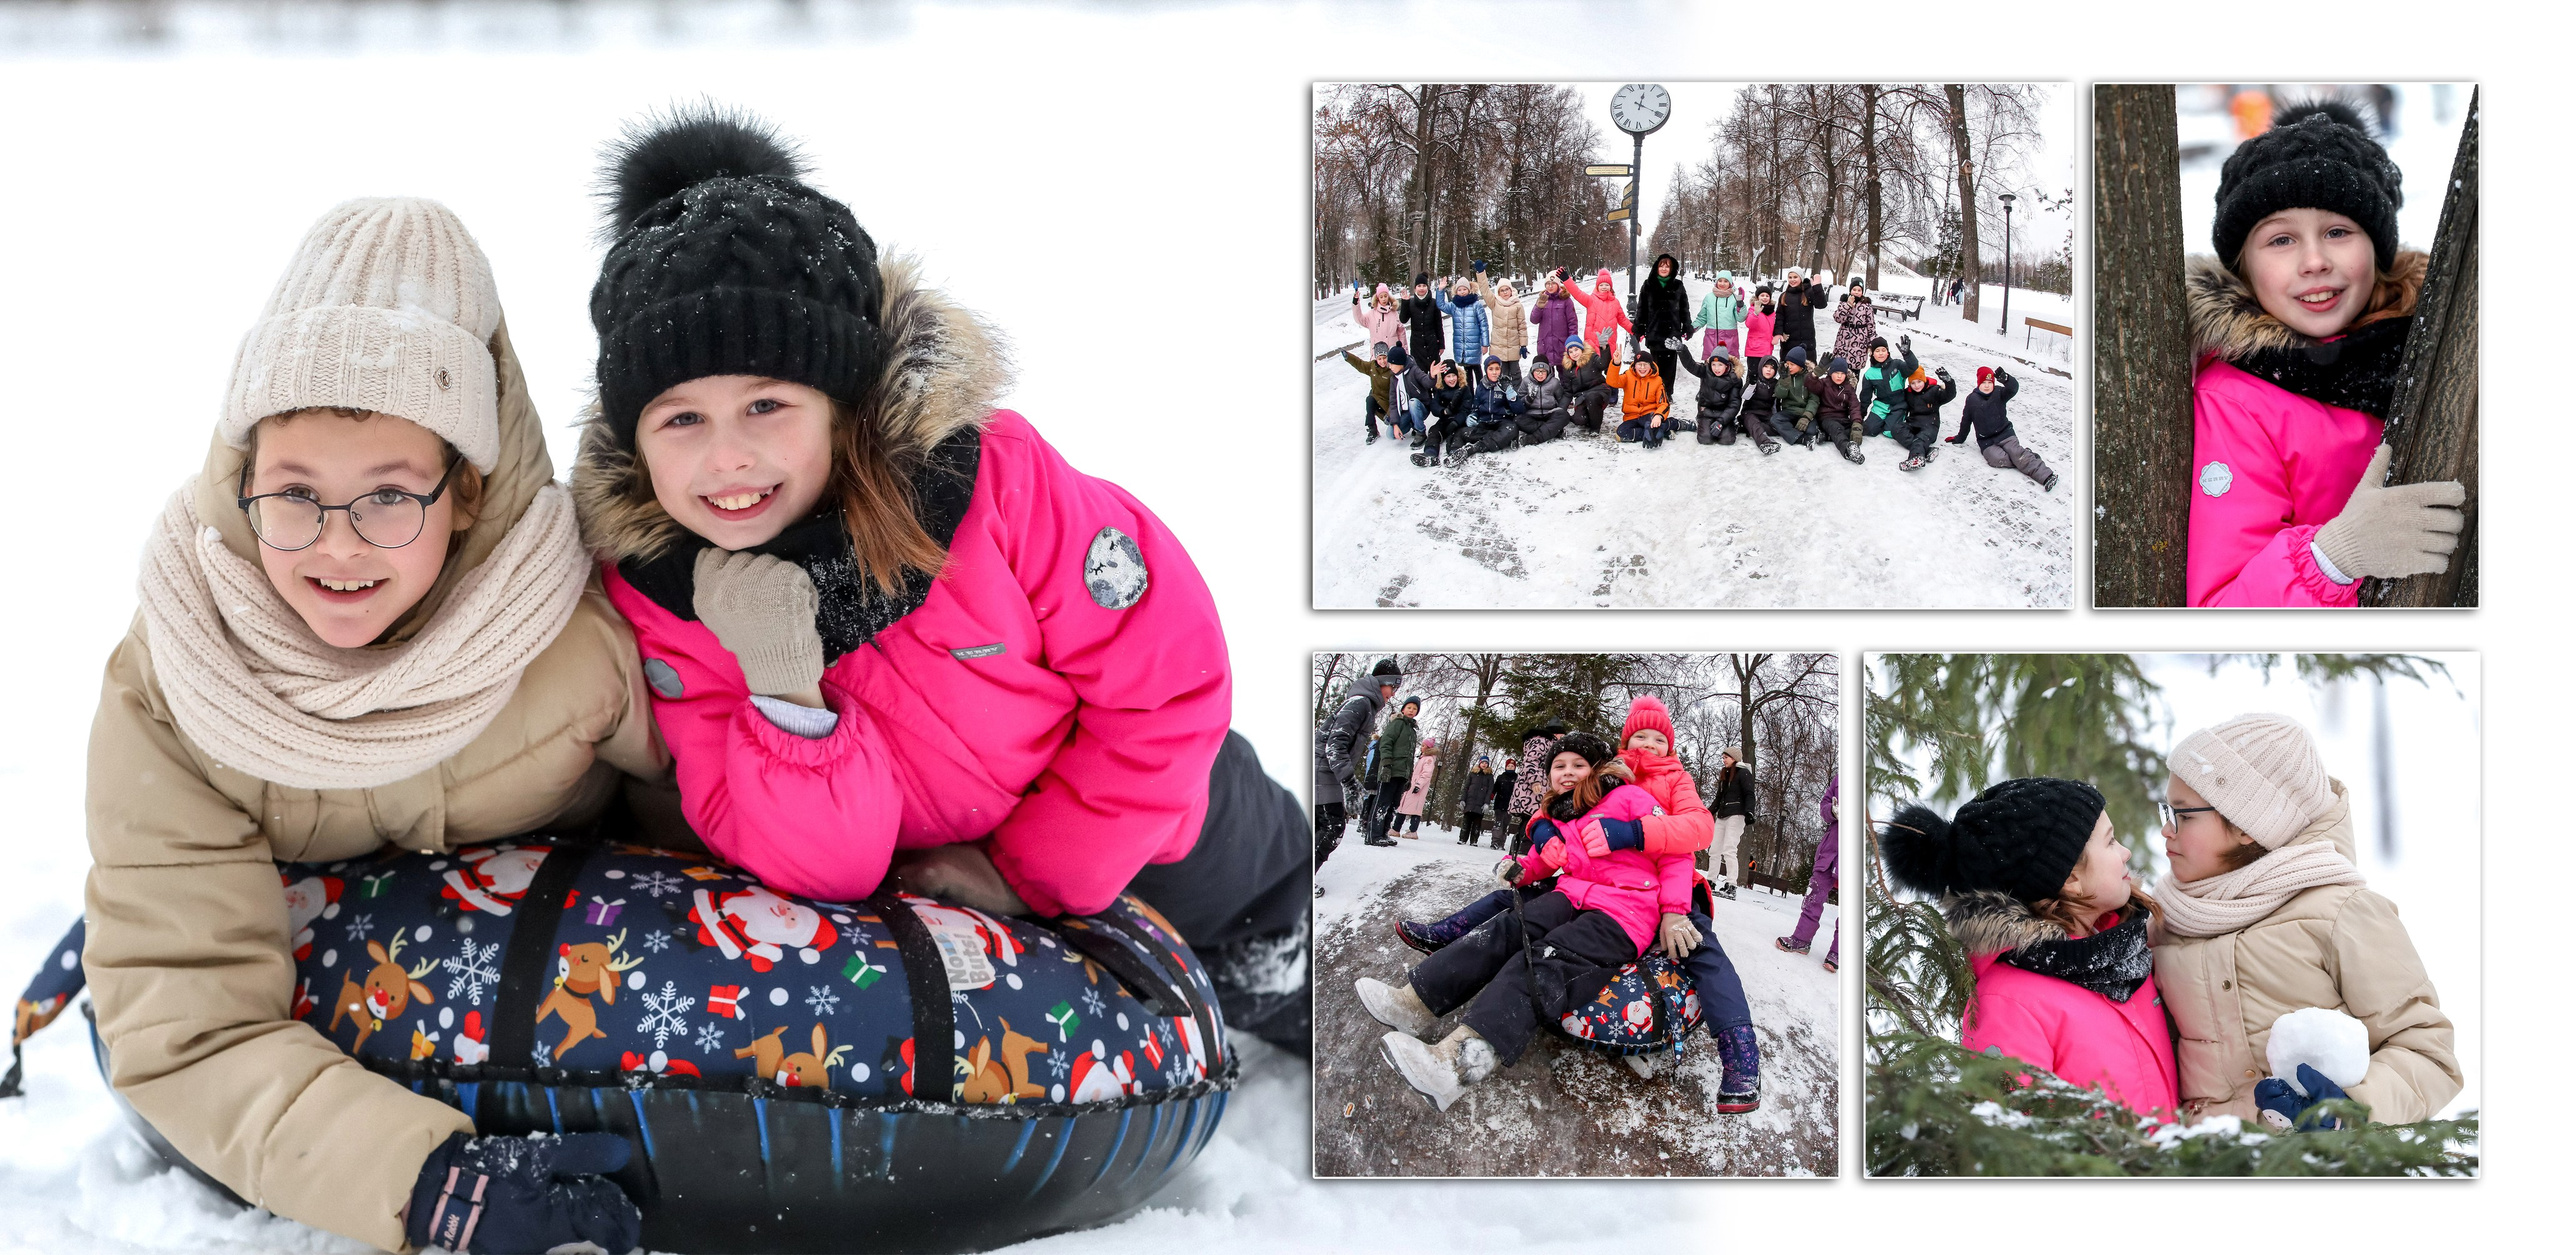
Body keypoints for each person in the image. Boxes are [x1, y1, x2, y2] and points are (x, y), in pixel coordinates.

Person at [574, 110, 1311, 1054]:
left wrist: (1028, 877)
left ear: (844, 405)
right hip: (947, 886)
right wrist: (783, 685)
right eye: (681, 419)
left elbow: (1164, 682)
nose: (728, 457)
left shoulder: (985, 482)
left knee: (1274, 935)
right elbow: (817, 862)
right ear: (633, 436)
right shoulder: (665, 595)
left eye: (767, 404)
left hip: (1154, 813)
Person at [85, 198, 654, 1253]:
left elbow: (719, 848)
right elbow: (185, 1023)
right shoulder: (176, 678)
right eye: (294, 494)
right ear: (242, 476)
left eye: (390, 496)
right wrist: (423, 1183)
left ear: (468, 492)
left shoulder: (578, 635)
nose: (335, 549)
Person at [2183, 97, 2464, 607]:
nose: (2314, 261)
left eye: (2338, 232)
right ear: (2244, 267)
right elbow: (2220, 604)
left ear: (2376, 251)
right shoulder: (2235, 401)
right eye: (2282, 239)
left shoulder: (2432, 340)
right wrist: (2336, 556)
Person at [2148, 715, 2460, 1126]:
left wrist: (2347, 1110)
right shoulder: (2165, 919)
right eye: (2167, 810)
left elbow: (2427, 1053)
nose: (2166, 830)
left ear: (2246, 825)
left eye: (2185, 815)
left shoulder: (2341, 913)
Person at [1356, 732, 1692, 1111]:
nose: (1567, 773)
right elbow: (1548, 859)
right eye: (1558, 767)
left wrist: (1675, 911)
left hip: (1624, 911)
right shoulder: (1565, 812)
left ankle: (1456, 1065)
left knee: (1544, 959)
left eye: (1578, 765)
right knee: (1509, 926)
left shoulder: (1630, 798)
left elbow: (1677, 852)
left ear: (1597, 769)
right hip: (1571, 895)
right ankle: (1414, 1004)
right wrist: (1522, 869)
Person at [1877, 779, 2178, 1116]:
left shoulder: (2131, 945)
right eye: (2110, 843)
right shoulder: (2008, 1005)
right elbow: (2015, 1148)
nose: (2126, 852)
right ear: (2070, 879)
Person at [1316, 659, 1401, 865]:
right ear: (1383, 682)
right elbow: (1335, 744)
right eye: (1393, 687)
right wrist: (1349, 782)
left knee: (1323, 827)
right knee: (1332, 828)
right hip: (1322, 772)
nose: (1393, 694)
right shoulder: (1360, 703)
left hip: (1327, 773)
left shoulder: (1364, 704)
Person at [1947, 366, 2057, 490]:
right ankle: (2026, 458)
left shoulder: (1999, 393)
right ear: (1978, 383)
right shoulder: (1972, 399)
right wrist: (1959, 438)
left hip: (2006, 434)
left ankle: (2047, 476)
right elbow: (1966, 420)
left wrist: (2006, 379)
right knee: (1996, 459)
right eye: (1984, 383)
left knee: (2015, 452)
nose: (1987, 386)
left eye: (1990, 382)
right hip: (1986, 441)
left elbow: (2013, 388)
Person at [1775, 774, 1840, 971]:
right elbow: (1825, 803)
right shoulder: (1840, 778)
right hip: (1830, 850)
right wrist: (1832, 810)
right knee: (1813, 897)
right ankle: (1801, 939)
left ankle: (1837, 952)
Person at [1363, 698, 1422, 844]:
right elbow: (1386, 743)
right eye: (1409, 707)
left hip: (1402, 773)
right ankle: (1373, 835)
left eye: (1414, 709)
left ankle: (1384, 833)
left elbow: (1409, 755)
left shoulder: (1413, 731)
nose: (1411, 710)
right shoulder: (1397, 724)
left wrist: (1408, 775)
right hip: (1390, 770)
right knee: (1382, 802)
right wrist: (1387, 764)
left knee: (1393, 804)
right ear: (1403, 709)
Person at [1631, 252, 1691, 388]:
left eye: (1667, 267)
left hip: (1672, 333)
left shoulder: (1678, 286)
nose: (1664, 269)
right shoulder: (1648, 285)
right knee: (1654, 365)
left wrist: (1687, 326)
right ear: (1657, 268)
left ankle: (1667, 392)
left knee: (1670, 366)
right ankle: (1655, 390)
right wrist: (1639, 328)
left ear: (1671, 269)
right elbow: (1642, 309)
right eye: (1661, 266)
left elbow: (1684, 309)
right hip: (1654, 332)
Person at [1506, 722, 1565, 854]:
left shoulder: (1548, 743)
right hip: (1531, 793)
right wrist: (1535, 781)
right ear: (1556, 733)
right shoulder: (1541, 741)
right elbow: (1530, 762)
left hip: (1534, 792)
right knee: (1530, 823)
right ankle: (1521, 854)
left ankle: (1519, 853)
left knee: (1529, 822)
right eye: (1562, 735)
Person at [1895, 348, 1959, 472]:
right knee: (1896, 429)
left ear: (1924, 380)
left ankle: (1916, 458)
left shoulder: (1934, 391)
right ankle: (1926, 450)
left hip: (1929, 426)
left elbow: (1950, 395)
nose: (1916, 385)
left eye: (1919, 381)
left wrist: (1949, 382)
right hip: (1913, 424)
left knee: (1920, 439)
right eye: (1913, 383)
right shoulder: (1908, 393)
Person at [1604, 333, 1671, 449]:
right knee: (1621, 434)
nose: (1642, 368)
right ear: (1634, 366)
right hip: (1631, 416)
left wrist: (1658, 416)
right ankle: (1657, 430)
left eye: (1645, 365)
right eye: (1639, 365)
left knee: (1651, 424)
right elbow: (1612, 381)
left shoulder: (1657, 380)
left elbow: (1664, 403)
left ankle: (1656, 427)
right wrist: (1616, 363)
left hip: (1648, 415)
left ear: (1651, 366)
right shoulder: (1628, 376)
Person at [1673, 342, 1746, 445]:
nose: (1716, 368)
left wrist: (1721, 422)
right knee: (1705, 439)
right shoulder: (1705, 371)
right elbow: (1691, 365)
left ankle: (1731, 425)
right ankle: (1702, 423)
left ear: (1726, 365)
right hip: (1706, 412)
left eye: (1720, 365)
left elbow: (1734, 404)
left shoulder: (1735, 379)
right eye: (1714, 364)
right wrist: (1682, 350)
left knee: (1727, 440)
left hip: (1724, 413)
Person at [1408, 358, 1473, 467]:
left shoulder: (1464, 388)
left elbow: (1466, 408)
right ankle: (1430, 454)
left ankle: (1454, 453)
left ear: (1458, 376)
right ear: (1443, 378)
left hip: (1459, 421)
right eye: (1448, 376)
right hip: (1445, 419)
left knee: (1457, 435)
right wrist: (1443, 411)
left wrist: (1457, 421)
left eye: (1453, 376)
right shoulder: (1440, 389)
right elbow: (1434, 405)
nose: (1452, 379)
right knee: (1434, 431)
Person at [1706, 748, 1753, 895]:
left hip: (1737, 815)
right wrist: (1707, 813)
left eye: (1726, 757)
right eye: (1723, 757)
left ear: (1735, 758)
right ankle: (1710, 881)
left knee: (1729, 849)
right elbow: (1719, 798)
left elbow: (1749, 794)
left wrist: (1750, 812)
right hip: (1723, 815)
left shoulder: (1743, 773)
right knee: (1714, 849)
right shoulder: (1725, 775)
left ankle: (1731, 884)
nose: (1724, 759)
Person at [1342, 341, 1406, 446]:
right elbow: (1360, 364)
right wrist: (1348, 357)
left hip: (1391, 405)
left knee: (1391, 431)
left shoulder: (1392, 371)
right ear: (1376, 359)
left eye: (1384, 357)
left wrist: (1390, 414)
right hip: (1378, 401)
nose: (1382, 361)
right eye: (1379, 358)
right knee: (1370, 399)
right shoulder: (1372, 367)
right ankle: (1372, 431)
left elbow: (1396, 396)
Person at [1557, 266, 1633, 353]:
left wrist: (1635, 330)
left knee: (1607, 365)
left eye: (1607, 285)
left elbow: (1623, 320)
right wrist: (1567, 280)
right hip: (1592, 344)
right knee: (1592, 365)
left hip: (1609, 343)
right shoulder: (1591, 300)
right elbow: (1577, 293)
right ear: (1597, 287)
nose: (1604, 287)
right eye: (1601, 285)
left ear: (1611, 287)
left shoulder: (1615, 303)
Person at [1435, 277, 1492, 388]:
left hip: (1474, 344)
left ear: (1469, 290)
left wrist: (1485, 344)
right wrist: (1440, 290)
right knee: (1467, 373)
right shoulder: (1454, 306)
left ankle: (1482, 393)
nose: (1462, 292)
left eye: (1464, 289)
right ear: (1456, 291)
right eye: (1459, 290)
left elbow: (1484, 325)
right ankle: (1469, 396)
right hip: (1461, 346)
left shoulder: (1476, 305)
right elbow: (1441, 305)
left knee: (1477, 369)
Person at [1810, 356, 1866, 464]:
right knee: (1837, 429)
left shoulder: (1848, 387)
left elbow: (1854, 406)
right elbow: (1810, 384)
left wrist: (1857, 425)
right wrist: (1816, 372)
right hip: (1827, 417)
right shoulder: (1823, 383)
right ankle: (1848, 450)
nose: (1839, 376)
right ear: (1831, 372)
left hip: (1843, 418)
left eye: (1842, 373)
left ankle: (1827, 436)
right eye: (1836, 373)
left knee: (1862, 427)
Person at [1856, 336, 1908, 444]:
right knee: (1869, 430)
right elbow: (1865, 397)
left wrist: (1908, 355)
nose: (1881, 353)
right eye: (1877, 351)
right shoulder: (1869, 374)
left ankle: (1896, 418)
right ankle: (1884, 419)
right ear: (1872, 354)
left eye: (1883, 350)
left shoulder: (1897, 364)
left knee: (1889, 432)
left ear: (1888, 352)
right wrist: (1859, 416)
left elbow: (1912, 368)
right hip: (1881, 405)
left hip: (1898, 405)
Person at [1773, 267, 1829, 368]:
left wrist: (1817, 286)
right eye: (1790, 277)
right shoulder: (1784, 296)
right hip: (1789, 341)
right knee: (1789, 370)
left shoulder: (1809, 293)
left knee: (1807, 373)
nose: (1792, 280)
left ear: (1801, 278)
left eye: (1795, 277)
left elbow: (1821, 304)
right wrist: (1779, 333)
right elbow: (1780, 317)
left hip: (1807, 341)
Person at [1557, 335, 1614, 434]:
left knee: (1592, 399)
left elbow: (1604, 364)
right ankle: (1593, 415)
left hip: (1599, 391)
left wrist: (1604, 348)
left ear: (1581, 348)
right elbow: (1568, 392)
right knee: (1579, 420)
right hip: (1582, 396)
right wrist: (1560, 409)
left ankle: (1595, 429)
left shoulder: (1591, 357)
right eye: (1571, 351)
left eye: (1576, 349)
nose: (1574, 353)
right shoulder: (1568, 368)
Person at [1515, 356, 1570, 446]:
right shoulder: (1526, 381)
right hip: (1532, 415)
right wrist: (1528, 399)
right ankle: (1553, 430)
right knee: (1518, 420)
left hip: (1549, 414)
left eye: (1543, 371)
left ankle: (1532, 438)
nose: (1540, 374)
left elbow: (1560, 399)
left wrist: (1559, 409)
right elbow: (1519, 403)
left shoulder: (1554, 382)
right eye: (1537, 371)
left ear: (1548, 371)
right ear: (1532, 371)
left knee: (1564, 416)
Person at [1736, 356, 1787, 455]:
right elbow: (1744, 396)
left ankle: (1748, 428)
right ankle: (1765, 442)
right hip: (1750, 413)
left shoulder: (1776, 384)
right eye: (1766, 366)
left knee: (1775, 428)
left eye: (1772, 368)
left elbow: (1777, 403)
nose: (1769, 370)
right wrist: (1751, 384)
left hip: (1766, 415)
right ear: (1761, 367)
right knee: (1754, 424)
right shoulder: (1755, 380)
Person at [1693, 269, 1745, 365]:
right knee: (1710, 367)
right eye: (1720, 280)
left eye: (1726, 281)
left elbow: (1741, 318)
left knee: (1728, 367)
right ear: (1716, 282)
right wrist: (1691, 328)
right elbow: (1702, 318)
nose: (1722, 283)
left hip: (1729, 340)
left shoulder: (1734, 298)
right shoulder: (1709, 297)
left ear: (1730, 283)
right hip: (1711, 339)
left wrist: (1740, 305)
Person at [1772, 348, 1820, 447]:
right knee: (1775, 420)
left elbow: (1814, 400)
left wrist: (1806, 417)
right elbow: (1780, 395)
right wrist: (1784, 381)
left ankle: (1804, 432)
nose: (1789, 367)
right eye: (1787, 364)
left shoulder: (1809, 377)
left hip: (1805, 411)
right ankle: (1800, 438)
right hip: (1789, 412)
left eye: (1792, 365)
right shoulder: (1785, 376)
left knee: (1811, 430)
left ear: (1801, 366)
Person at [1528, 273, 1579, 367]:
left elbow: (1572, 322)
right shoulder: (1542, 299)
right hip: (1545, 345)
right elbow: (1533, 320)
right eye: (1548, 284)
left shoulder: (1566, 300)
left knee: (1566, 377)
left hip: (1561, 344)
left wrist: (1572, 342)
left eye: (1553, 284)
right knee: (1547, 377)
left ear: (1558, 285)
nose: (1550, 286)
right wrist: (1539, 307)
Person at [1393, 738, 1439, 837]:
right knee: (1403, 807)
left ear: (1428, 748)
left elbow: (1426, 774)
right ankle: (1396, 829)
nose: (1421, 747)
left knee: (1415, 810)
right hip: (1411, 786)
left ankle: (1412, 831)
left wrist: (1418, 785)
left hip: (1418, 788)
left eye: (1423, 746)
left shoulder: (1429, 759)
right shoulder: (1422, 758)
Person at [1401, 273, 1446, 368]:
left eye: (1424, 285)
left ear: (1428, 287)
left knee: (1434, 375)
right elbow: (1403, 320)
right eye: (1419, 286)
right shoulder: (1411, 303)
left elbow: (1439, 325)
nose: (1421, 288)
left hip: (1432, 345)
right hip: (1417, 346)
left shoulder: (1434, 303)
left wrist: (1441, 344)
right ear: (1415, 288)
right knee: (1420, 376)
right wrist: (1405, 303)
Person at [1488, 278, 1531, 377]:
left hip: (1513, 346)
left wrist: (1523, 345)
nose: (1505, 292)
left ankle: (1518, 392)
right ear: (1498, 292)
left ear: (1511, 290)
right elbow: (1485, 292)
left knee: (1515, 373)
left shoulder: (1517, 305)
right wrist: (1481, 274)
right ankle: (1503, 392)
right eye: (1502, 290)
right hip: (1498, 347)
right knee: (1502, 375)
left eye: (1507, 289)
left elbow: (1522, 326)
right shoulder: (1494, 303)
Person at [1352, 281, 1406, 356]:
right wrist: (1355, 303)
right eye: (1381, 297)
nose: (1384, 299)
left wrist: (1405, 353)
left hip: (1393, 355)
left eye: (1385, 296)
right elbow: (1359, 319)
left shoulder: (1394, 313)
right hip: (1378, 356)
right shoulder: (1372, 314)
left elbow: (1402, 334)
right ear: (1377, 298)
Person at [1832, 274, 1878, 363]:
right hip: (1843, 342)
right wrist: (1848, 305)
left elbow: (1871, 326)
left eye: (1859, 290)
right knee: (1840, 370)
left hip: (1859, 344)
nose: (1856, 292)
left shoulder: (1866, 306)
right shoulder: (1844, 302)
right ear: (1850, 290)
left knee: (1854, 371)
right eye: (1854, 290)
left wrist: (1871, 344)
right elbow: (1838, 318)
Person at [1741, 285, 1778, 382]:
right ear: (1757, 297)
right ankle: (1748, 395)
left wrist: (1779, 334)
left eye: (1767, 295)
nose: (1765, 298)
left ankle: (1762, 395)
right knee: (1753, 375)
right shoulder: (1753, 309)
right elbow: (1749, 324)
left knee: (1764, 376)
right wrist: (1755, 314)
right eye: (1762, 295)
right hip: (1754, 350)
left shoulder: (1772, 312)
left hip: (1767, 349)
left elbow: (1775, 327)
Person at [1459, 755, 1497, 846]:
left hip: (1480, 803)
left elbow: (1490, 791)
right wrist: (1462, 799)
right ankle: (1462, 839)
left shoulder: (1489, 776)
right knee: (1466, 822)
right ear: (1479, 763)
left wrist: (1487, 803)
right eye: (1483, 762)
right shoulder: (1472, 774)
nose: (1484, 764)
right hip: (1469, 801)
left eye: (1486, 763)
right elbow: (1466, 787)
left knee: (1477, 823)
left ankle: (1474, 840)